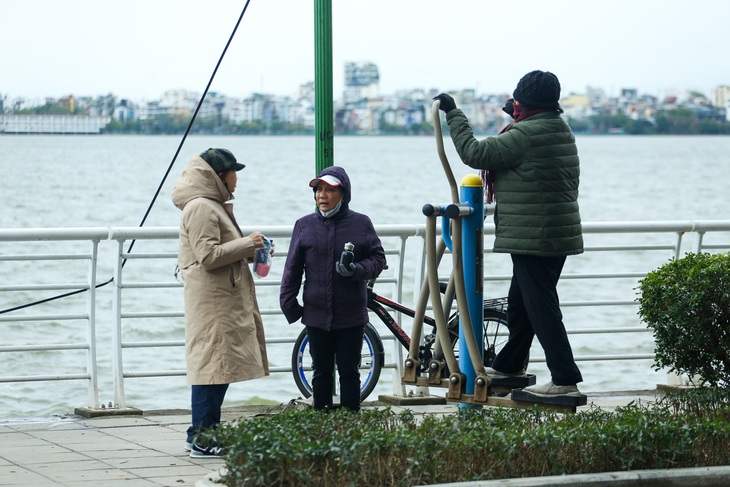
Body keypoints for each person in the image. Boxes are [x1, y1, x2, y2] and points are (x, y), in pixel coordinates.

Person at [434, 70, 584, 398]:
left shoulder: (525, 134)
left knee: (541, 307)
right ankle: (509, 364)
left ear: (525, 103)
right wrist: (516, 115)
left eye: (517, 101)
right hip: (554, 234)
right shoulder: (557, 128)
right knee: (522, 303)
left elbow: (475, 153)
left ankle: (564, 379)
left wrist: (453, 114)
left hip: (535, 236)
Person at [172, 148, 270, 458]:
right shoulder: (201, 207)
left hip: (220, 300)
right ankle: (202, 438)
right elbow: (208, 256)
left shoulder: (211, 204)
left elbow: (218, 250)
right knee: (211, 370)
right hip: (213, 303)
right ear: (219, 176)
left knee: (217, 369)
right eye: (233, 172)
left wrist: (253, 250)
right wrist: (247, 243)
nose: (236, 178)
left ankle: (199, 435)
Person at [279, 166, 386, 411]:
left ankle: (351, 425)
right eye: (319, 190)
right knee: (320, 372)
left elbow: (378, 259)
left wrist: (356, 270)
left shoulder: (361, 223)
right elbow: (291, 270)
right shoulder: (304, 225)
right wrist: (290, 306)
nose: (322, 195)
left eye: (329, 190)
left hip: (351, 314)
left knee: (350, 372)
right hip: (316, 315)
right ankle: (322, 426)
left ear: (344, 194)